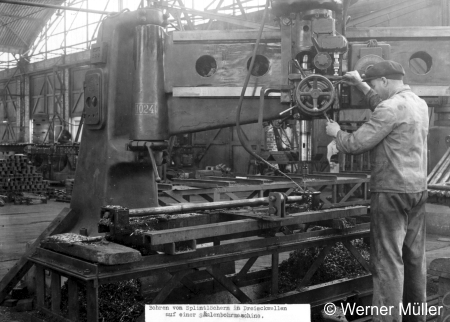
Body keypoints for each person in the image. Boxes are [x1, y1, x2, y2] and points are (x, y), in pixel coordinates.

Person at [326, 60, 429, 322]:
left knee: (387, 262)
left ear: (384, 81)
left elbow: (356, 144)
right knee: (414, 259)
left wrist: (336, 133)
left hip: (391, 191)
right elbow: (385, 109)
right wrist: (360, 85)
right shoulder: (418, 103)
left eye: (373, 84)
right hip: (417, 190)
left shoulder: (389, 108)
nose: (373, 89)